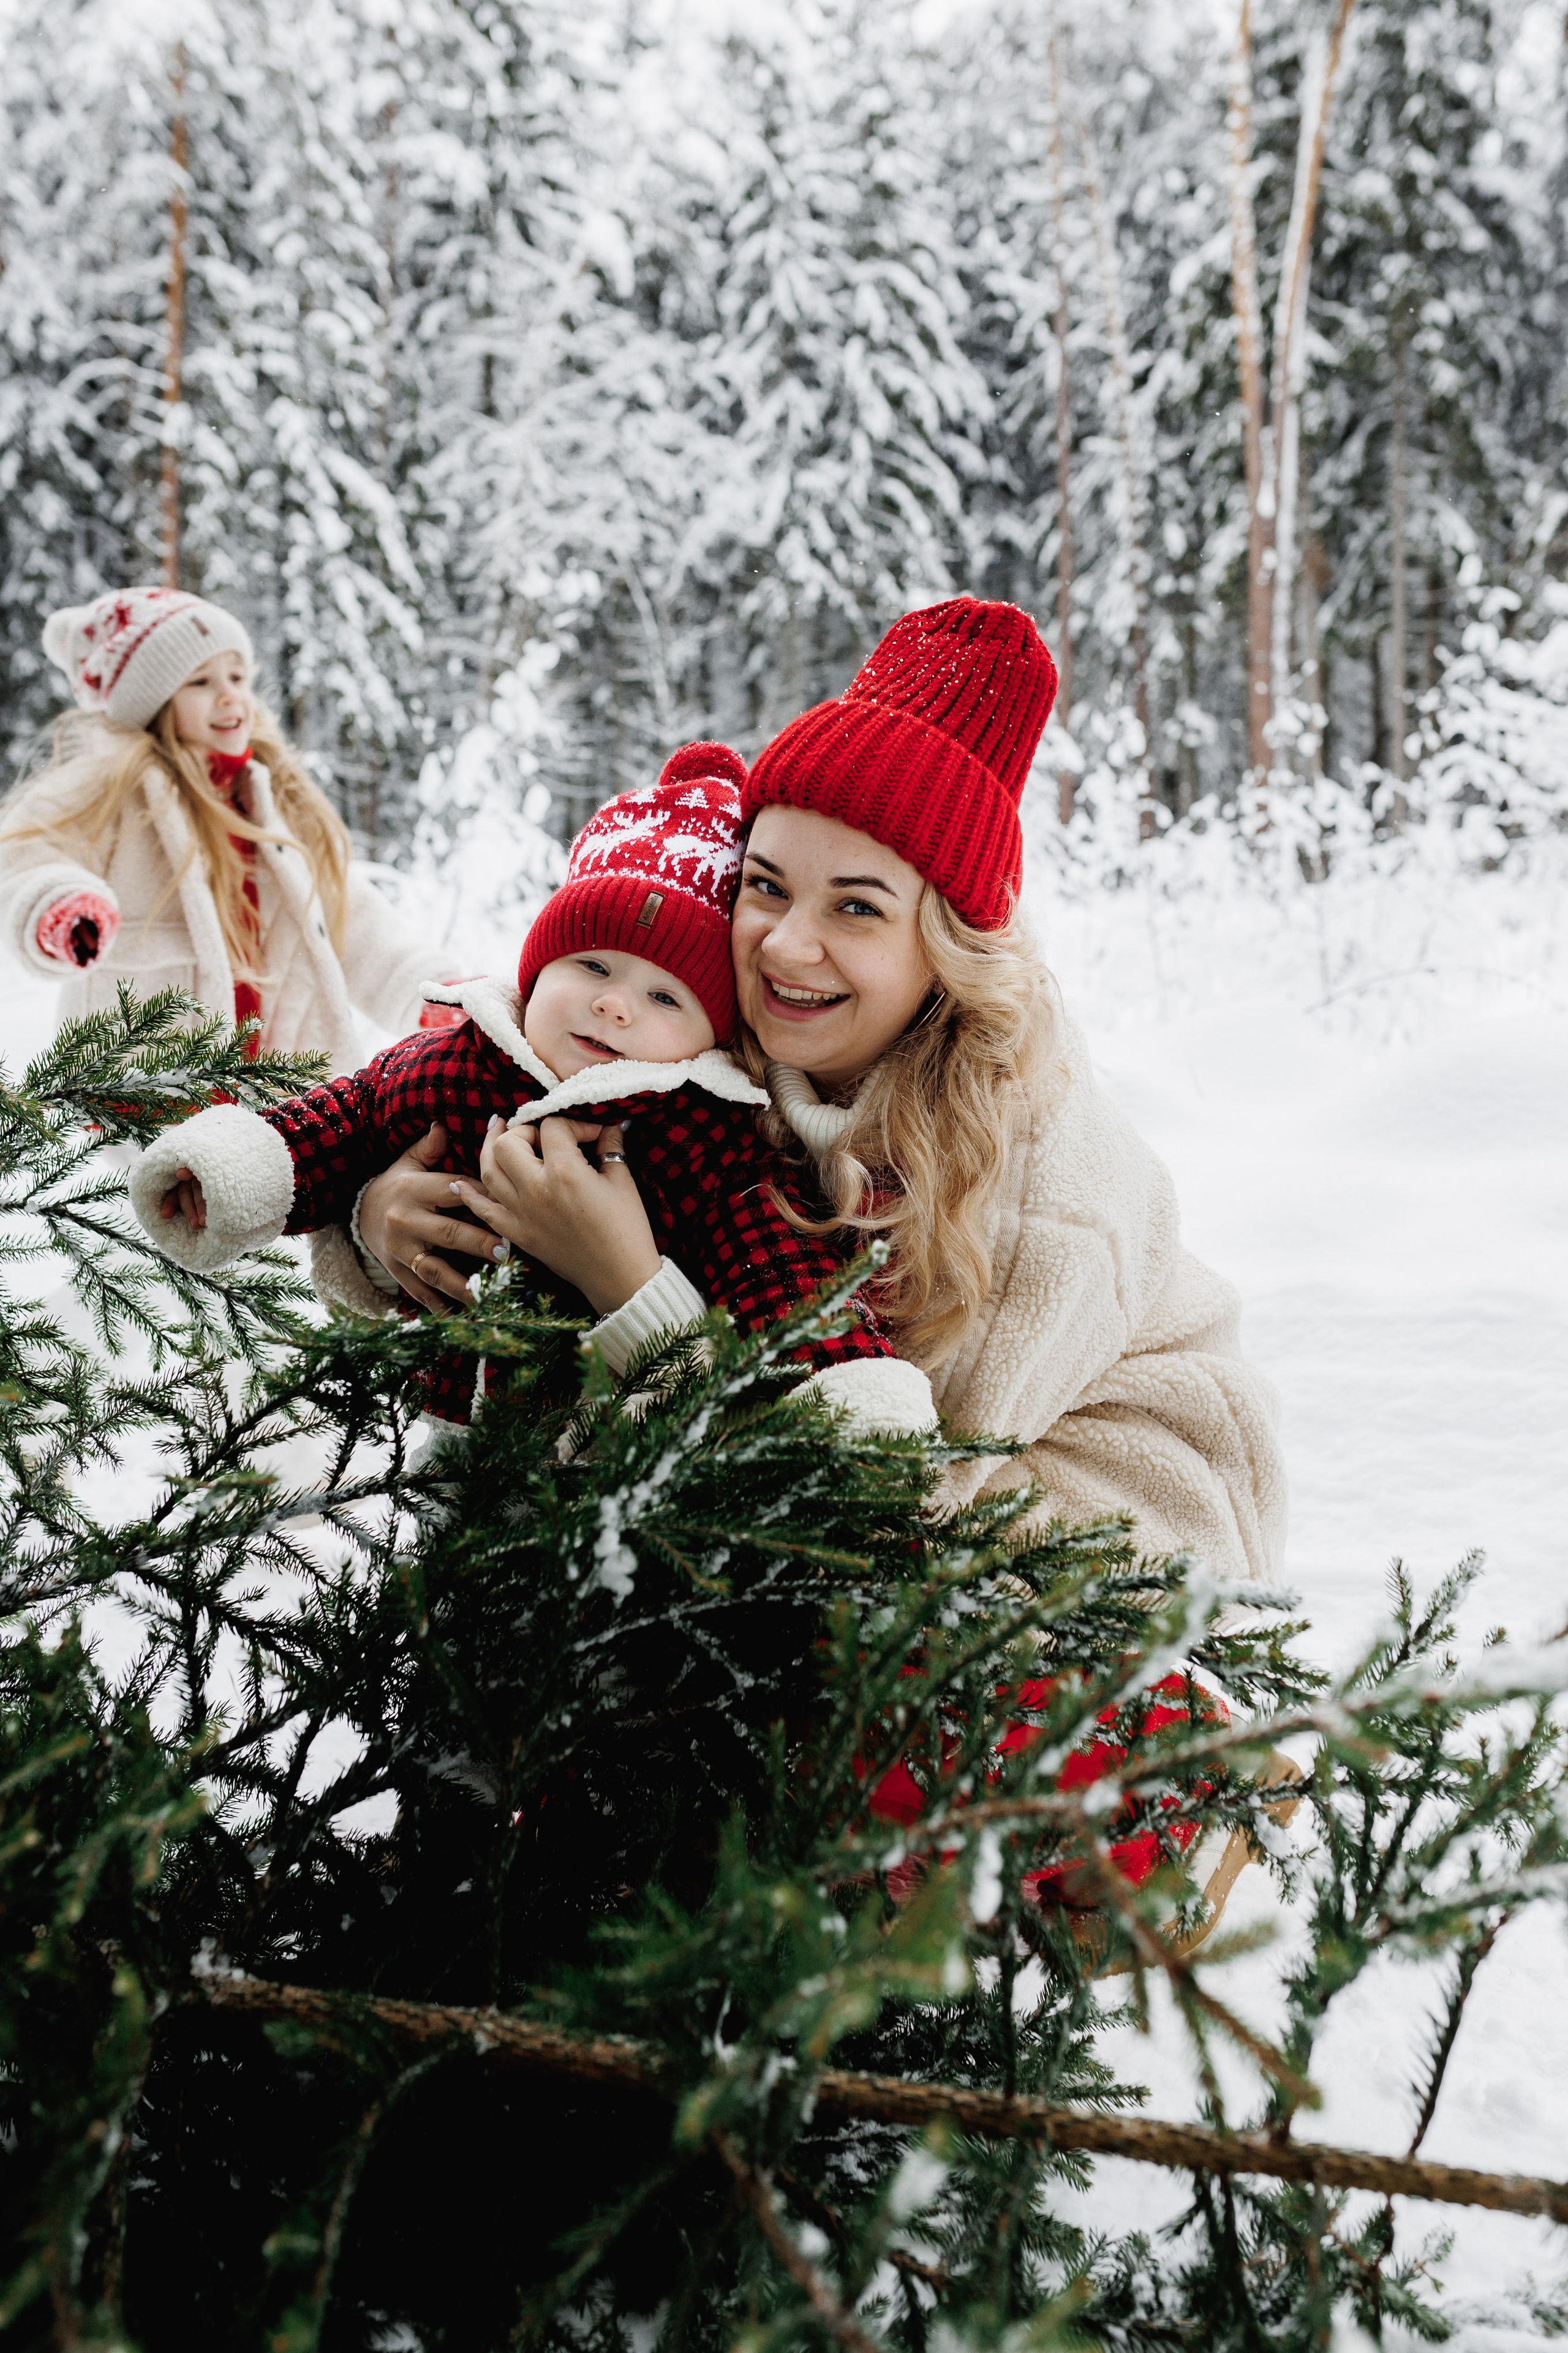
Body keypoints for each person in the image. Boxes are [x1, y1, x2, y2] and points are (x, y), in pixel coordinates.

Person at [382, 599, 1285, 1582]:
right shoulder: (720, 1038)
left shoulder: (1043, 1193)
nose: (785, 944)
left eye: (856, 906)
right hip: (790, 1519)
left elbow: (856, 1523)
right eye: (766, 886)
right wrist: (387, 1215)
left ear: (947, 948)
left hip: (1086, 1546)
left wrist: (632, 1292)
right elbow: (488, 1082)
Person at [128, 747, 932, 1429]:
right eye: (592, 966)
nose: (615, 1003)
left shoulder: (704, 1135)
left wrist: (842, 1391)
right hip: (452, 1444)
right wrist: (239, 1175)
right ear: (538, 964)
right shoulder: (463, 1063)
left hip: (615, 1456)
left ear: (713, 1033)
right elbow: (347, 1117)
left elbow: (773, 1274)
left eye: (665, 998)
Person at [0, 585, 459, 1073]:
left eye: (237, 676)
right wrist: (62, 905)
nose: (230, 696)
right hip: (151, 1086)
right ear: (151, 702)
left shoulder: (270, 794)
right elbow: (27, 851)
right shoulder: (111, 784)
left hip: (279, 1082)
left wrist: (432, 991)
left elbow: (349, 916)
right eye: (200, 682)